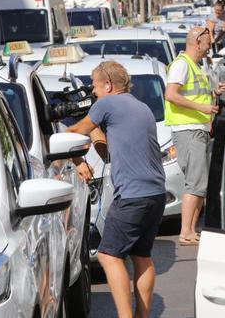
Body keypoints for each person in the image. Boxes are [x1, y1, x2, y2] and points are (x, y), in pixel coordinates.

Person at [68, 61, 165, 318]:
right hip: (155, 193)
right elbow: (117, 150)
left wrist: (78, 161)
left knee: (109, 256)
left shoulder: (107, 104)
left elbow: (73, 133)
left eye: (94, 85)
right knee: (141, 256)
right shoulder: (140, 107)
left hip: (132, 195)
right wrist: (98, 136)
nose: (93, 92)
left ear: (108, 85)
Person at [164, 26, 225, 246]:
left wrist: (214, 93)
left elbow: (195, 95)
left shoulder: (195, 66)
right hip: (188, 130)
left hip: (197, 129)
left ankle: (191, 230)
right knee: (194, 183)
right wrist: (202, 109)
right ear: (197, 41)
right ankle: (185, 232)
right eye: (208, 42)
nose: (209, 46)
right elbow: (171, 94)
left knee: (199, 182)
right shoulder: (182, 65)